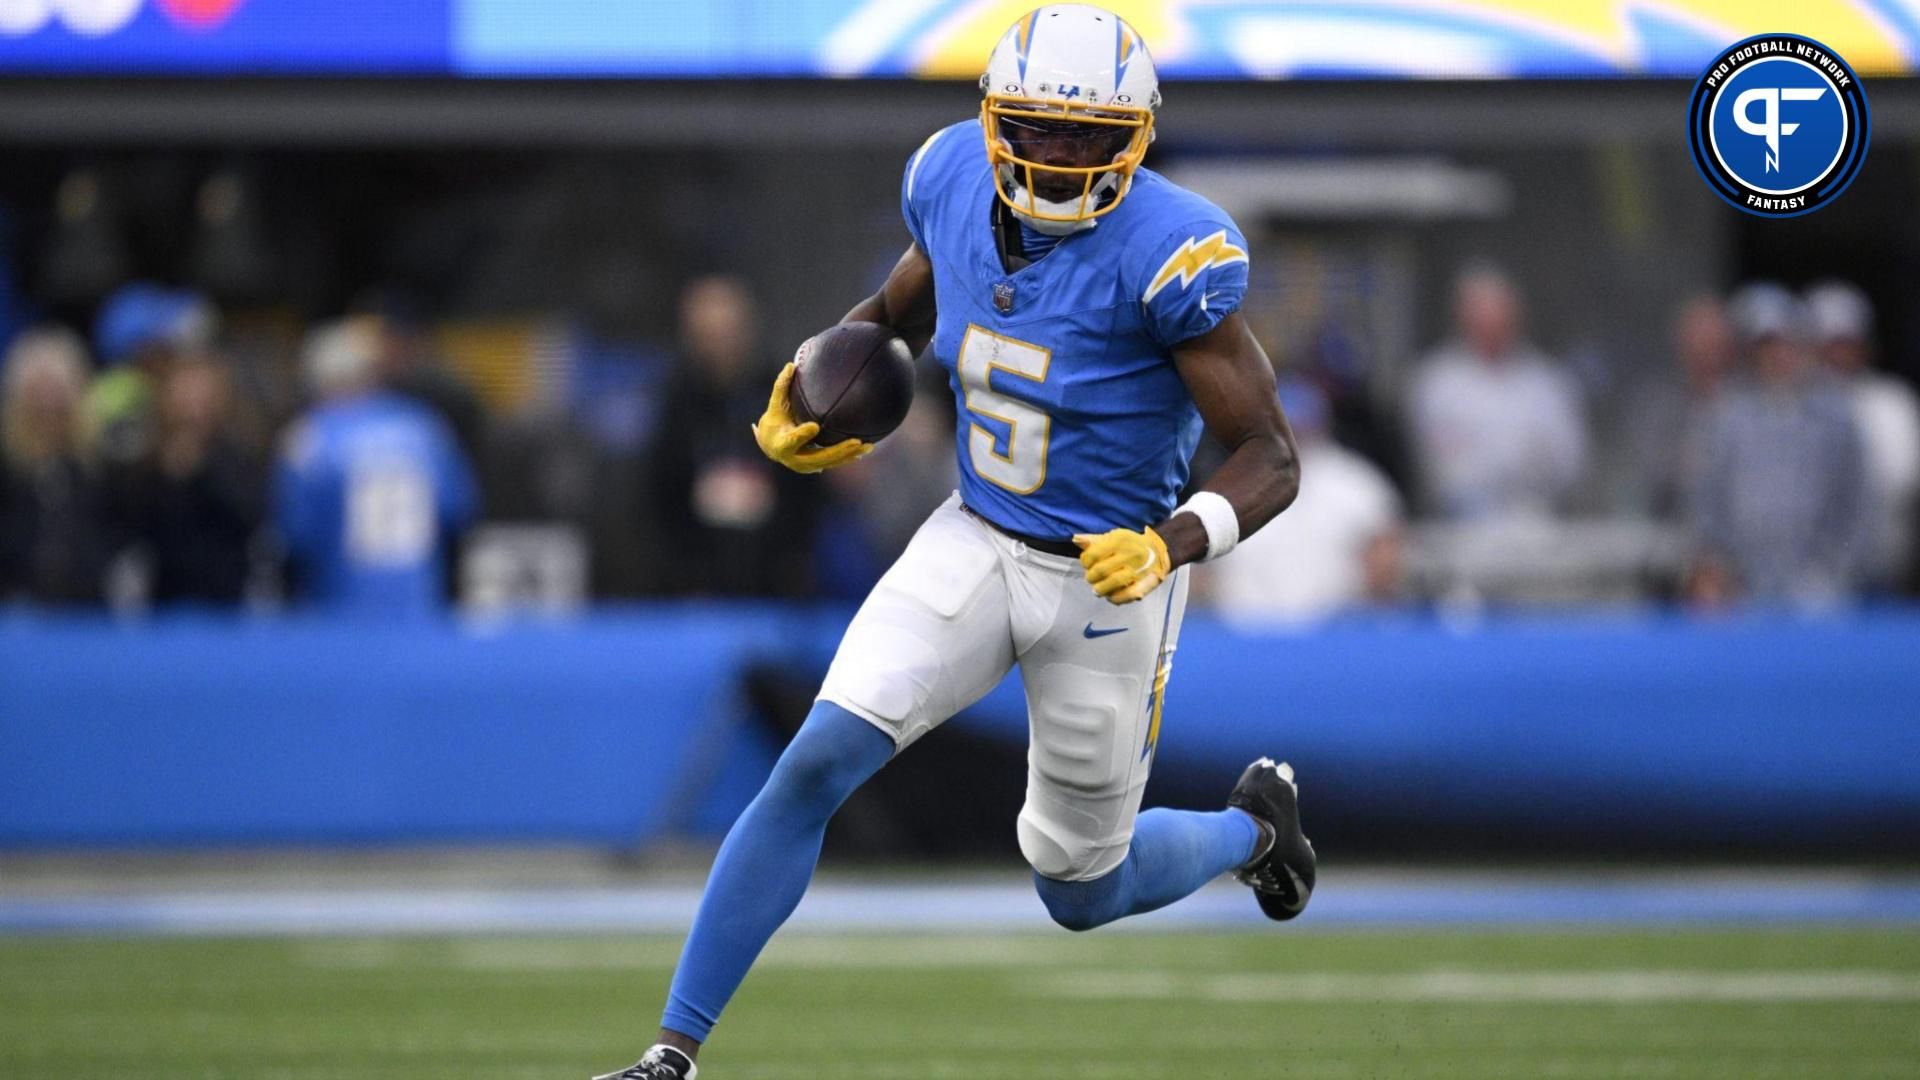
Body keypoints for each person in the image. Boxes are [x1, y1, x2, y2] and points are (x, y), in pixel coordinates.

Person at [596, 8, 1316, 1078]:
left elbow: (1270, 455)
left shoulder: (1174, 251)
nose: (1062, 154)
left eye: (1088, 134)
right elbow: (893, 311)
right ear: (992, 121)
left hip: (1108, 575)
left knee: (1081, 891)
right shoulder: (946, 184)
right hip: (975, 537)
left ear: (1136, 137)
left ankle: (1254, 830)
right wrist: (813, 390)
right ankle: (671, 1055)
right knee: (816, 762)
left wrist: (1169, 544)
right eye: (1040, 127)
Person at [274, 317, 477, 617]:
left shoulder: (310, 436)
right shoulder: (422, 426)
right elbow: (458, 509)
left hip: (337, 613)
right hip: (418, 610)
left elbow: (294, 536)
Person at [1686, 284, 1872, 607]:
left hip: (1820, 589)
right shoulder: (1729, 417)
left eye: (1785, 343)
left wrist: (1835, 572)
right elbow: (1707, 500)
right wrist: (1717, 568)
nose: (1777, 354)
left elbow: (1857, 505)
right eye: (1766, 346)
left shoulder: (1835, 418)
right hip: (1743, 587)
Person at [644, 275, 819, 597]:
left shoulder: (783, 397)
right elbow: (658, 493)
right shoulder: (673, 405)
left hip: (776, 581)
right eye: (708, 336)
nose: (720, 346)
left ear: (748, 330)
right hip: (693, 584)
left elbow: (808, 491)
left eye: (728, 333)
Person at [1199, 376, 1403, 624]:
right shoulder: (1227, 483)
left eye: (1300, 426)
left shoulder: (1356, 483)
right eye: (1286, 425)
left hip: (1334, 632)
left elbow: (1384, 559)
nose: (1294, 435)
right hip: (1245, 633)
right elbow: (1203, 570)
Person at [1407, 265, 1587, 519]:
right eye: (1480, 319)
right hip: (1456, 530)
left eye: (1499, 318)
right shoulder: (1436, 382)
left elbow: (1569, 462)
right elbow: (1435, 466)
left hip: (1537, 525)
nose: (1490, 328)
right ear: (1463, 318)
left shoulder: (1547, 383)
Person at [107, 355, 265, 608]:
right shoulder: (144, 460)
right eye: (185, 394)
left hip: (227, 605)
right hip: (160, 604)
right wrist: (168, 476)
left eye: (202, 395)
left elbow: (250, 517)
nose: (193, 407)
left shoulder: (240, 455)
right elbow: (128, 526)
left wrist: (204, 473)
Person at [1803, 280, 1920, 590]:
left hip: (1884, 571)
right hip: (1806, 580)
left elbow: (1900, 485)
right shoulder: (1791, 413)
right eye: (1827, 345)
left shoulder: (1893, 404)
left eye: (1846, 343)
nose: (1837, 355)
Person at [0, 326, 117, 606]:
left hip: (85, 615)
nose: (49, 404)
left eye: (59, 391)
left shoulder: (103, 470)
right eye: (38, 392)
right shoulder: (7, 471)